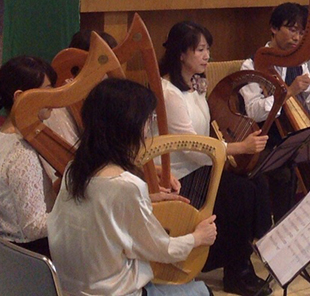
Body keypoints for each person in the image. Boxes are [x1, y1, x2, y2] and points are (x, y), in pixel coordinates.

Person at [47, 78, 217, 296]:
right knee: (203, 290)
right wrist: (199, 237)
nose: (148, 130)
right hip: (116, 292)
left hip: (71, 289)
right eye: (148, 121)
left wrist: (147, 199)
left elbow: (99, 212)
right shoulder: (126, 186)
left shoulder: (74, 170)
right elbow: (161, 249)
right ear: (128, 126)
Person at [161, 21, 272, 296]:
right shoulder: (169, 93)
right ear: (181, 54)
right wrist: (240, 147)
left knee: (258, 181)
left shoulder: (195, 84)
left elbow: (208, 130)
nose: (206, 55)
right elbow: (191, 147)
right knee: (241, 192)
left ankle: (246, 259)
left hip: (206, 166)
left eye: (207, 49)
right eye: (200, 49)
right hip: (183, 175)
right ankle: (236, 271)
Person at [240, 3, 310, 220]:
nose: (297, 37)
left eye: (302, 33)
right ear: (274, 28)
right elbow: (253, 112)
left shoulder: (298, 63)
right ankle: (279, 231)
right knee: (285, 169)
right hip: (262, 140)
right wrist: (289, 92)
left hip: (289, 136)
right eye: (292, 30)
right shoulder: (251, 64)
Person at [0, 56, 59, 257]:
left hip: (11, 252)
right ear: (20, 97)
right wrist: (82, 215)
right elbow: (33, 227)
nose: (56, 99)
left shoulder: (5, 138)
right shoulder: (21, 153)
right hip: (31, 255)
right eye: (48, 91)